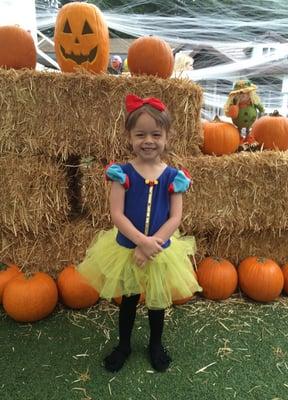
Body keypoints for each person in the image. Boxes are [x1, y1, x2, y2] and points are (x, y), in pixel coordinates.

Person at [77, 94, 202, 373]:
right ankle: (124, 345)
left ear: (166, 136)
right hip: (126, 249)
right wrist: (141, 243)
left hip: (159, 251)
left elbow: (176, 217)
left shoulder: (173, 176)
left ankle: (155, 344)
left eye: (156, 134)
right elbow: (117, 216)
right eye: (140, 134)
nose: (148, 140)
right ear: (129, 136)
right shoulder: (122, 173)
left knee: (157, 303)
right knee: (129, 300)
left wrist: (149, 246)